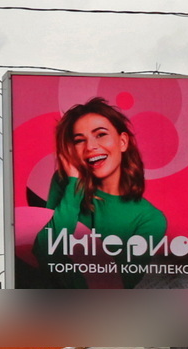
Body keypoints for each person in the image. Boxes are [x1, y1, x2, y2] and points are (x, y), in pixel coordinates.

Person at [32, 97, 169, 288]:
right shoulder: (65, 183)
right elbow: (44, 252)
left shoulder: (150, 219)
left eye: (101, 134)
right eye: (79, 140)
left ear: (122, 142)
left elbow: (117, 285)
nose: (90, 147)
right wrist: (74, 187)